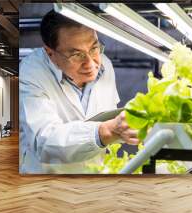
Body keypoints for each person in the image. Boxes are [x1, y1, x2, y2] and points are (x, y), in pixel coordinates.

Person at [19, 10, 139, 174]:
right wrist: (105, 131)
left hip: (95, 176)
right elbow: (43, 140)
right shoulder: (31, 71)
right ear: (50, 53)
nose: (90, 64)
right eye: (76, 55)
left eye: (94, 48)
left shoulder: (106, 65)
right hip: (49, 181)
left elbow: (108, 116)